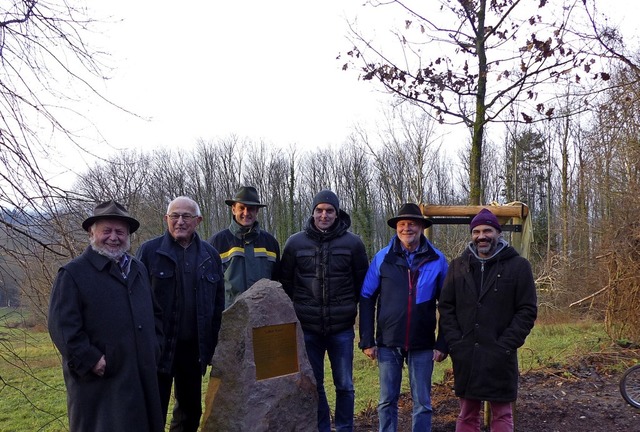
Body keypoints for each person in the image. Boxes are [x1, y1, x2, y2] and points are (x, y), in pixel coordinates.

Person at [48, 200, 164, 432]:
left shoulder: (138, 269)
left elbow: (155, 314)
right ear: (92, 233)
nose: (114, 237)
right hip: (100, 384)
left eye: (120, 231)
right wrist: (91, 360)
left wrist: (154, 348)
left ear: (128, 235)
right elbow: (61, 327)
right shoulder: (72, 274)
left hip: (141, 377)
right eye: (106, 231)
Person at [438, 208, 537, 432]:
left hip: (500, 354)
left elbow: (527, 310)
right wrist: (456, 343)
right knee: (467, 414)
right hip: (467, 354)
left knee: (502, 414)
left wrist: (505, 345)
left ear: (498, 233)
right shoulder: (458, 266)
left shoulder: (518, 266)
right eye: (477, 231)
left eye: (487, 230)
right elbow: (446, 307)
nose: (481, 236)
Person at [280, 189, 369, 432]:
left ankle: (344, 427)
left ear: (337, 213)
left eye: (329, 210)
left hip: (341, 328)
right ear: (312, 212)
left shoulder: (353, 243)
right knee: (314, 384)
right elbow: (286, 283)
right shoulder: (295, 243)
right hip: (308, 328)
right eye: (319, 210)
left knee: (345, 384)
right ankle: (321, 428)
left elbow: (363, 285)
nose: (324, 215)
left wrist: (352, 311)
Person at [136, 196, 225, 432]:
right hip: (158, 348)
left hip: (193, 350)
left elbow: (217, 306)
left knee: (189, 413)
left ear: (198, 220)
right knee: (152, 411)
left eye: (186, 216)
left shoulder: (210, 256)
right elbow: (135, 302)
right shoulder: (149, 252)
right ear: (166, 219)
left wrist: (212, 348)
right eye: (174, 216)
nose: (180, 221)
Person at [359, 202, 449, 432]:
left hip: (423, 344)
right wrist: (367, 339)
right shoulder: (382, 258)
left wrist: (442, 344)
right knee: (387, 401)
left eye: (412, 224)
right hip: (389, 343)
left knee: (422, 403)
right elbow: (367, 297)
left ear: (421, 227)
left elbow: (449, 305)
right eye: (402, 224)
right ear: (396, 228)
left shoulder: (437, 260)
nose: (407, 228)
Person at [209, 186, 280, 308]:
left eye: (251, 209)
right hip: (229, 317)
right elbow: (209, 287)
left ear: (257, 211)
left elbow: (277, 280)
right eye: (241, 208)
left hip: (265, 315)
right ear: (233, 209)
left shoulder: (270, 243)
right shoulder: (217, 242)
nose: (246, 213)